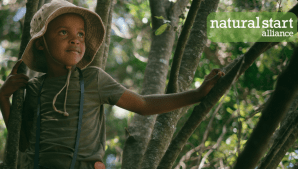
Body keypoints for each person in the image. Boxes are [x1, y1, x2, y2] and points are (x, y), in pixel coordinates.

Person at [0, 0, 225, 169]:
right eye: (63, 32)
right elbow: (21, 142)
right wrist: (3, 98)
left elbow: (143, 105)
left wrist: (196, 94)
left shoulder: (93, 79)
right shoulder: (32, 89)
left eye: (80, 34)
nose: (76, 39)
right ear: (41, 44)